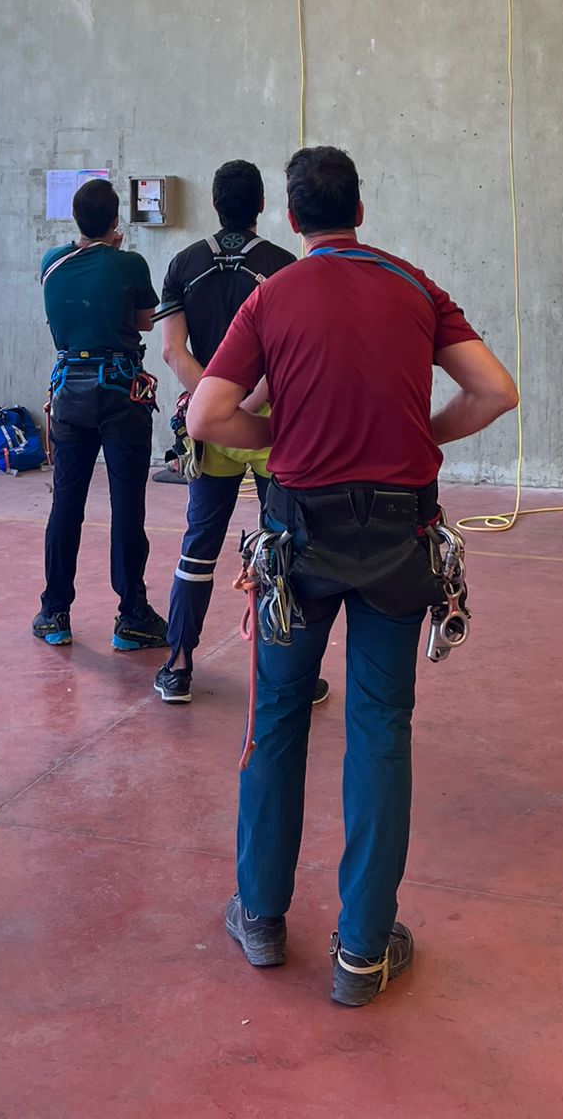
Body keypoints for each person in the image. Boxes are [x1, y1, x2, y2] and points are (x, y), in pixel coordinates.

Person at [188, 145, 518, 1006]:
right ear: (359, 209)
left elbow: (209, 412)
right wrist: (421, 436)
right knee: (380, 727)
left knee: (279, 717)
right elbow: (495, 392)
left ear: (293, 219)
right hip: (396, 534)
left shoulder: (272, 296)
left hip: (299, 539)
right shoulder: (414, 287)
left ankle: (261, 917)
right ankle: (363, 953)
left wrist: (282, 439)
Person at [151, 159, 325, 711]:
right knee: (285, 545)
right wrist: (247, 402)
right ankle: (285, 676)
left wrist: (213, 403)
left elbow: (172, 350)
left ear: (214, 202)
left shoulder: (184, 264)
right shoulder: (282, 268)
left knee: (198, 545)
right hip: (273, 427)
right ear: (262, 205)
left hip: (208, 429)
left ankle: (178, 665)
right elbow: (289, 354)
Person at [32, 177, 168, 652]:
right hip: (120, 395)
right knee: (127, 507)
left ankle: (55, 612)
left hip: (69, 393)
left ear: (76, 220)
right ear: (116, 221)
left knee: (66, 504)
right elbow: (145, 320)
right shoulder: (129, 263)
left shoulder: (52, 263)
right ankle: (131, 616)